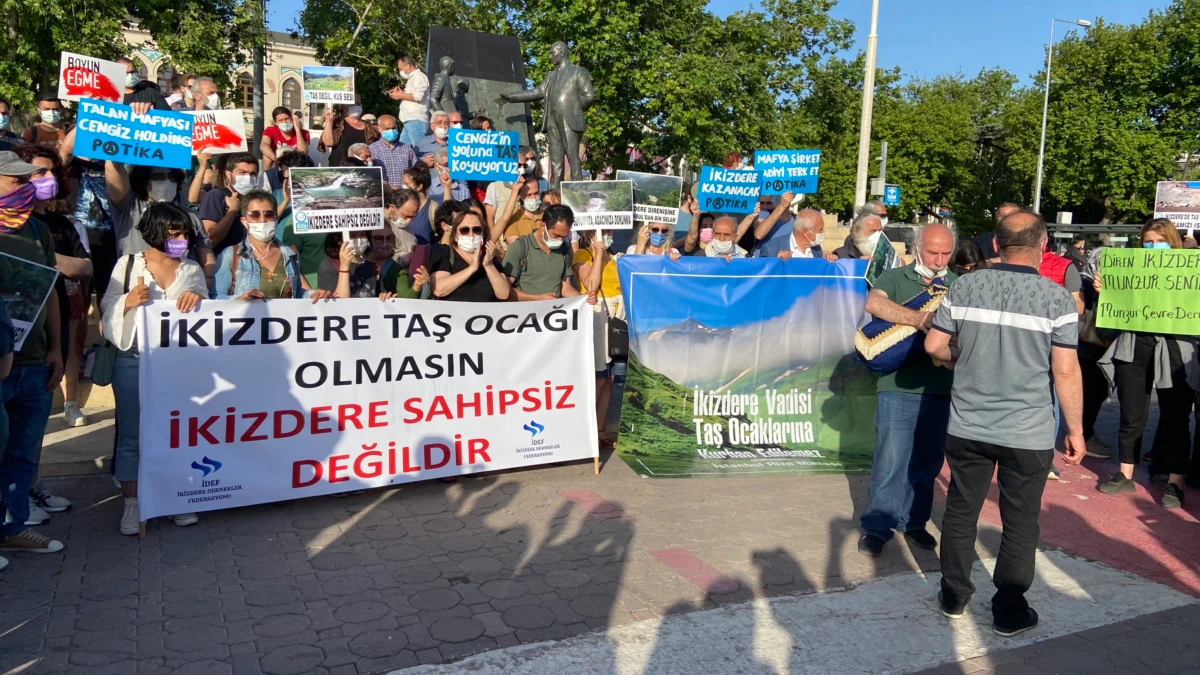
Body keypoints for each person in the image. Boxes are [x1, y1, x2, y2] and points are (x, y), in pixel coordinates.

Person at [924, 209, 1084, 638]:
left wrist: (963, 361)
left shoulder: (965, 286)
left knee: (960, 511)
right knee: (1020, 520)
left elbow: (934, 345)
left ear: (996, 244)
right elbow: (1065, 372)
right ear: (1044, 245)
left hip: (967, 425)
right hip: (1027, 430)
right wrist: (1076, 430)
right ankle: (1009, 610)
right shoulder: (1057, 299)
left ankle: (954, 595)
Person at [101, 203, 208, 535]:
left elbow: (209, 312)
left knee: (175, 433)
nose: (180, 239)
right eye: (173, 233)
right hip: (133, 360)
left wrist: (196, 298)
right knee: (132, 435)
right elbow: (107, 305)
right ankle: (134, 503)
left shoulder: (191, 269)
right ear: (155, 232)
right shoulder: (128, 264)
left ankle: (175, 497)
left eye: (184, 233)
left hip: (177, 366)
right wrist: (127, 301)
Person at [857, 223, 958, 558]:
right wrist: (919, 319)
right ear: (917, 248)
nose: (940, 259)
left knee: (927, 463)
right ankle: (877, 527)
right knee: (890, 460)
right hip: (897, 386)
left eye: (946, 253)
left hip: (942, 388)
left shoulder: (957, 284)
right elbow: (874, 303)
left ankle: (915, 522)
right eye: (933, 252)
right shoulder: (897, 278)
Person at [1096, 219, 1196, 508]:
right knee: (1131, 413)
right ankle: (1125, 472)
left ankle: (1174, 482)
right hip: (1134, 346)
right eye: (1148, 242)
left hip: (1175, 348)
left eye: (1159, 241)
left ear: (1172, 242)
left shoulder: (1190, 270)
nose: (1153, 247)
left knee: (1176, 417)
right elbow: (1114, 314)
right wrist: (1108, 293)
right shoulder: (1132, 268)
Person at [0, 150, 65, 554]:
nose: (28, 187)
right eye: (16, 181)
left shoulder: (39, 231)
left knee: (23, 453)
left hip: (35, 361)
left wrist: (57, 347)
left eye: (30, 180)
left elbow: (50, 293)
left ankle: (14, 528)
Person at [14, 145, 93, 432]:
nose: (49, 177)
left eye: (52, 172)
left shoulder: (62, 224)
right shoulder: (15, 223)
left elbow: (84, 267)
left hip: (57, 313)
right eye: (40, 172)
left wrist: (43, 257)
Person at [214, 191, 332, 301]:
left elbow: (296, 293)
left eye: (269, 214)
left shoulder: (291, 254)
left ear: (276, 217)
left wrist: (313, 294)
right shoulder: (231, 255)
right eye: (255, 215)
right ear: (244, 221)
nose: (263, 220)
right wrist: (239, 299)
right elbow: (215, 296)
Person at [573, 229, 622, 448]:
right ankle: (585, 428)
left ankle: (600, 430)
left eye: (608, 230)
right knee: (598, 377)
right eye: (598, 231)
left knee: (609, 379)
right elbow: (591, 285)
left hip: (616, 318)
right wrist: (596, 256)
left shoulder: (616, 257)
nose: (604, 234)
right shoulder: (582, 255)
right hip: (596, 316)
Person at [502, 204, 581, 300]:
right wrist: (537, 298)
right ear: (543, 226)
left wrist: (583, 299)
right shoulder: (519, 247)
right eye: (556, 235)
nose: (560, 240)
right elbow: (504, 291)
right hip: (526, 313)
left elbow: (565, 287)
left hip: (555, 312)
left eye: (564, 237)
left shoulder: (564, 249)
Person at [429, 211, 510, 302]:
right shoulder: (444, 252)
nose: (471, 234)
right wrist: (471, 268)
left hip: (484, 315)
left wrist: (489, 266)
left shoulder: (489, 256)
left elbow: (504, 294)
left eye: (477, 230)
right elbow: (439, 290)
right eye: (464, 230)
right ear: (455, 235)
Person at [276, 152, 329, 288]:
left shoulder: (321, 202)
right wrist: (286, 201)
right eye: (284, 178)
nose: (287, 182)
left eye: (292, 178)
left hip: (320, 280)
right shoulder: (275, 196)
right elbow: (265, 221)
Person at [330, 227, 424, 299]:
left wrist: (386, 299)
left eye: (390, 238)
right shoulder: (332, 265)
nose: (385, 243)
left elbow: (405, 301)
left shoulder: (393, 269)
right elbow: (337, 303)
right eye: (379, 238)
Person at [196, 152, 258, 254]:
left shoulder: (254, 200)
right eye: (242, 173)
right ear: (229, 175)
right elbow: (209, 240)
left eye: (253, 174)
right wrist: (232, 211)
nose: (248, 177)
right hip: (223, 263)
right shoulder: (216, 196)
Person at [757, 209, 828, 260]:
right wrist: (776, 262)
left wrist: (829, 260)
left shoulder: (816, 249)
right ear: (805, 233)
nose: (823, 231)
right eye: (820, 229)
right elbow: (763, 276)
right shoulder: (771, 249)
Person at [390, 56, 430, 146]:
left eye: (401, 69)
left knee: (419, 148)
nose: (400, 72)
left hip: (416, 120)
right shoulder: (412, 78)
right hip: (409, 120)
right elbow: (412, 95)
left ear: (408, 66)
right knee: (402, 149)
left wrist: (399, 95)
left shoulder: (419, 76)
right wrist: (402, 94)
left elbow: (418, 96)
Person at [369, 115, 417, 188]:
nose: (391, 131)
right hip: (384, 193)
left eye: (393, 128)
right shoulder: (372, 150)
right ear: (379, 129)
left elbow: (415, 171)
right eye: (387, 129)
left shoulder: (406, 148)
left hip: (404, 193)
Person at [260, 107, 310, 171]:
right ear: (275, 122)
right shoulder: (270, 130)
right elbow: (263, 146)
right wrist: (276, 158)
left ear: (292, 118)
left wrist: (297, 129)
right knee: (266, 157)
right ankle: (267, 178)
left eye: (287, 119)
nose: (284, 122)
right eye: (280, 120)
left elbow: (303, 152)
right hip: (276, 161)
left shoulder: (304, 132)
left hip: (295, 163)